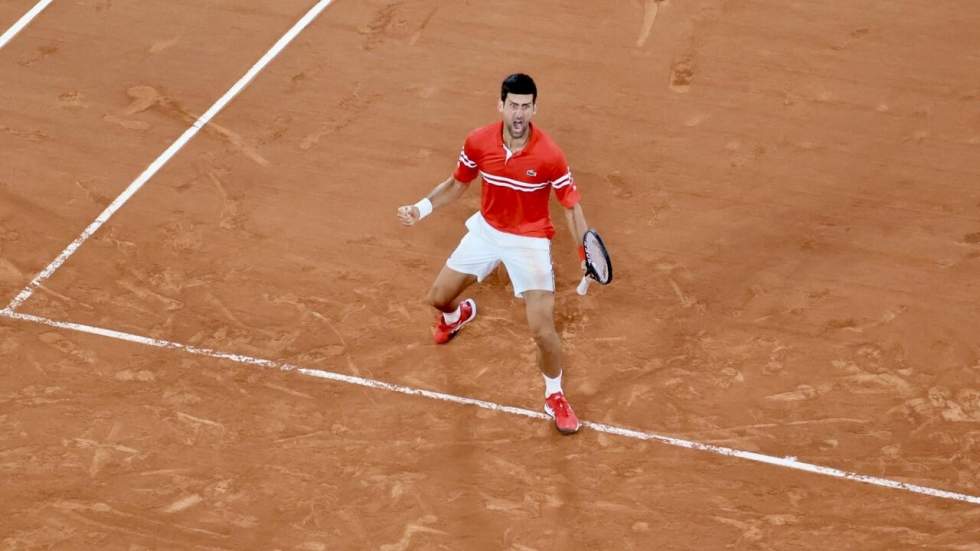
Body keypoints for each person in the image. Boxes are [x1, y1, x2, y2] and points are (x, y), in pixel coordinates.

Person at [397, 73, 591, 435]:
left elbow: (571, 207)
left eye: (526, 106)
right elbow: (456, 184)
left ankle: (555, 394)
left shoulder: (550, 155)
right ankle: (457, 316)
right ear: (500, 105)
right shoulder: (478, 142)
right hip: (487, 232)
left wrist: (585, 253)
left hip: (529, 240)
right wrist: (420, 209)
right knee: (438, 298)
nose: (519, 113)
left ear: (535, 108)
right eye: (513, 105)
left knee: (542, 329)